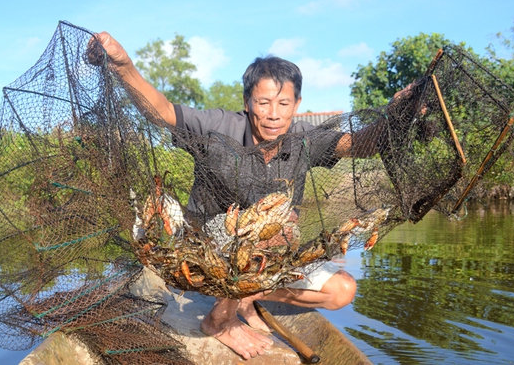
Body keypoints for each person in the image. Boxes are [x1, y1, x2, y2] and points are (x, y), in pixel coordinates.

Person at [93, 31, 387, 360]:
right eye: (263, 103)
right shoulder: (219, 127)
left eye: (283, 103)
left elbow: (359, 144)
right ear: (248, 103)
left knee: (342, 291)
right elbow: (161, 111)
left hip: (268, 261)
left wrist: (400, 117)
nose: (274, 114)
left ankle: (247, 296)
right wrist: (124, 67)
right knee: (267, 233)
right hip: (206, 254)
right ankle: (220, 319)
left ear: (296, 105)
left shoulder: (304, 139)